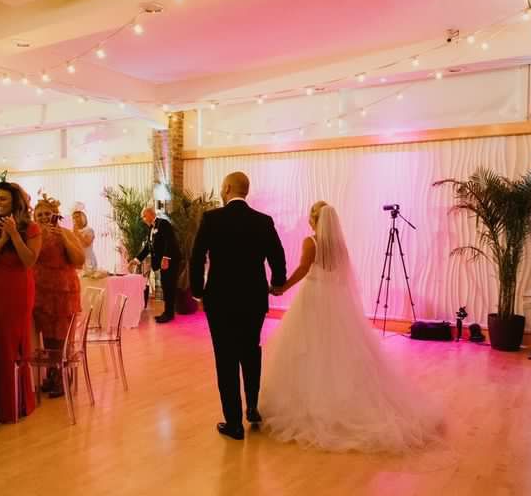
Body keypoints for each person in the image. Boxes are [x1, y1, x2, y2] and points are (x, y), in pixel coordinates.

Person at [262, 202, 440, 453]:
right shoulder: (339, 245)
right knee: (336, 350)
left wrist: (283, 287)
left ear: (314, 220)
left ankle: (313, 403)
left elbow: (303, 269)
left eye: (310, 218)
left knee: (310, 348)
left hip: (314, 299)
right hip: (336, 299)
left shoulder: (310, 243)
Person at [190, 172, 286, 440]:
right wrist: (277, 283)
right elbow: (277, 256)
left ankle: (233, 423)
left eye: (222, 186)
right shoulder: (263, 222)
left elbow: (196, 257)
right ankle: (252, 408)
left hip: (220, 300)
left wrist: (197, 291)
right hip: (254, 299)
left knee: (226, 358)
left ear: (228, 188)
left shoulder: (212, 219)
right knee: (251, 351)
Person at [0, 182, 42, 423]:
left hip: (20, 287)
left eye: (3, 199)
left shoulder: (32, 228)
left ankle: (21, 402)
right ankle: (2, 404)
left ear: (15, 202)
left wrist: (14, 235)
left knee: (18, 341)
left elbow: (29, 261)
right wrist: (2, 238)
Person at [33, 195, 84, 397]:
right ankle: (51, 373)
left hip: (63, 289)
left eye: (48, 213)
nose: (44, 217)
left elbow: (79, 260)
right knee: (46, 336)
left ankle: (63, 377)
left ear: (55, 215)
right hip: (41, 290)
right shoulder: (33, 235)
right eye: (40, 214)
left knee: (61, 336)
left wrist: (62, 237)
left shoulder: (66, 233)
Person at [131, 207, 181, 324]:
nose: (143, 219)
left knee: (169, 286)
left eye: (143, 216)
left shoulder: (163, 223)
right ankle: (168, 312)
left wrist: (166, 258)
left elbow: (170, 241)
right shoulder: (151, 229)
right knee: (165, 286)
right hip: (162, 262)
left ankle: (169, 314)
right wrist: (136, 260)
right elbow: (148, 247)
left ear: (150, 214)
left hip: (170, 261)